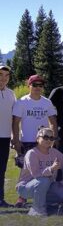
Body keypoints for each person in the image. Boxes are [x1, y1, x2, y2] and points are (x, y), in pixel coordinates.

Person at [16, 127, 63, 216]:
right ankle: (37, 210)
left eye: (51, 138)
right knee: (43, 180)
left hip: (47, 185)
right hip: (25, 188)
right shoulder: (32, 153)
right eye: (45, 137)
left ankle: (43, 202)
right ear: (37, 139)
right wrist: (51, 168)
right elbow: (36, 175)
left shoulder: (54, 152)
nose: (48, 140)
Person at [12, 75, 58, 162]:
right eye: (35, 85)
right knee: (27, 171)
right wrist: (16, 141)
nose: (38, 87)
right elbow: (15, 123)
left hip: (44, 141)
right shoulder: (21, 102)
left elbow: (53, 122)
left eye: (40, 85)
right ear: (29, 86)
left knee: (44, 169)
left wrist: (54, 139)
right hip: (27, 141)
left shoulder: (47, 102)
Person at [0, 64, 16, 207]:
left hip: (4, 137)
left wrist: (13, 135)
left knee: (2, 169)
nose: (3, 78)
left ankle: (0, 199)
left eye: (6, 76)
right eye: (0, 75)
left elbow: (13, 117)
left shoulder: (11, 93)